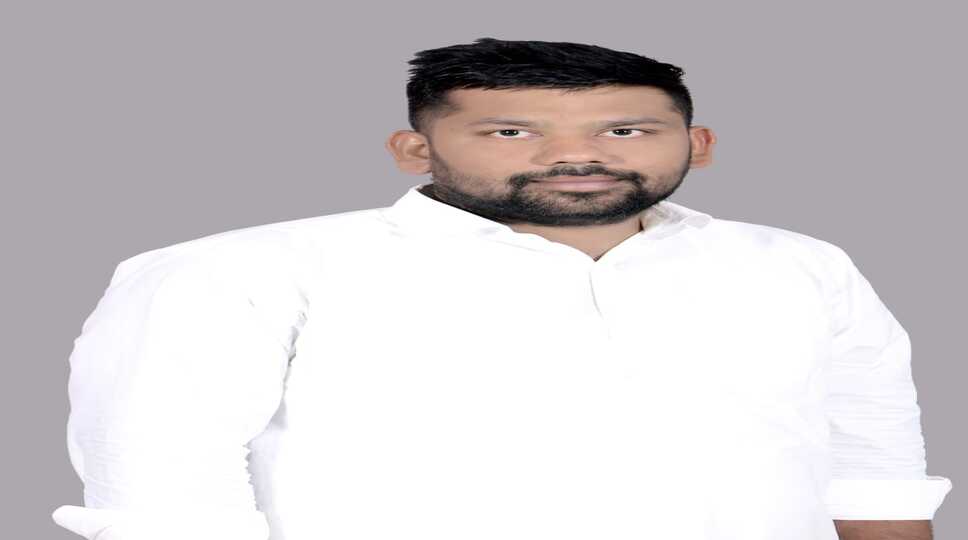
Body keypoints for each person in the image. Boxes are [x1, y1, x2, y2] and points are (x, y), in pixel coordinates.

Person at [51, 37, 951, 540]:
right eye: (511, 131)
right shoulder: (239, 273)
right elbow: (159, 501)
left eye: (627, 129)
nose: (577, 156)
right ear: (415, 148)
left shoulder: (798, 265)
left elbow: (874, 464)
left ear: (698, 143)